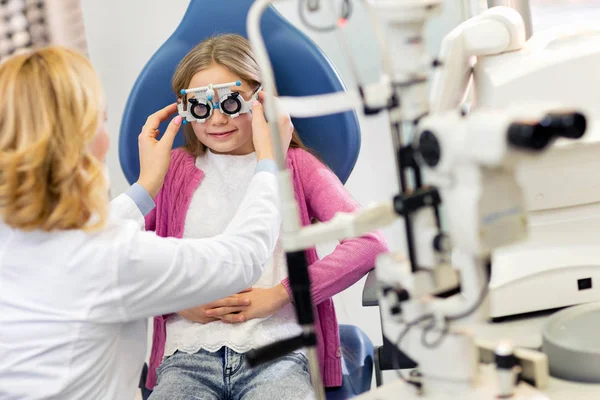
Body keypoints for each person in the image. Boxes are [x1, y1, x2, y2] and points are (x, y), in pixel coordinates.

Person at [0, 46, 292, 400]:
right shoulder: (113, 258)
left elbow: (81, 242)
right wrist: (269, 163)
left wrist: (145, 188)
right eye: (99, 123)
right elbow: (243, 259)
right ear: (83, 141)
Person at [145, 34, 389, 400]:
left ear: (260, 102)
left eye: (230, 102)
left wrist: (281, 294)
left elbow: (368, 241)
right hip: (186, 355)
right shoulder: (172, 170)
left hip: (277, 352)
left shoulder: (295, 165)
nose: (216, 119)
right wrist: (175, 300)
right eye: (199, 106)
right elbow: (127, 256)